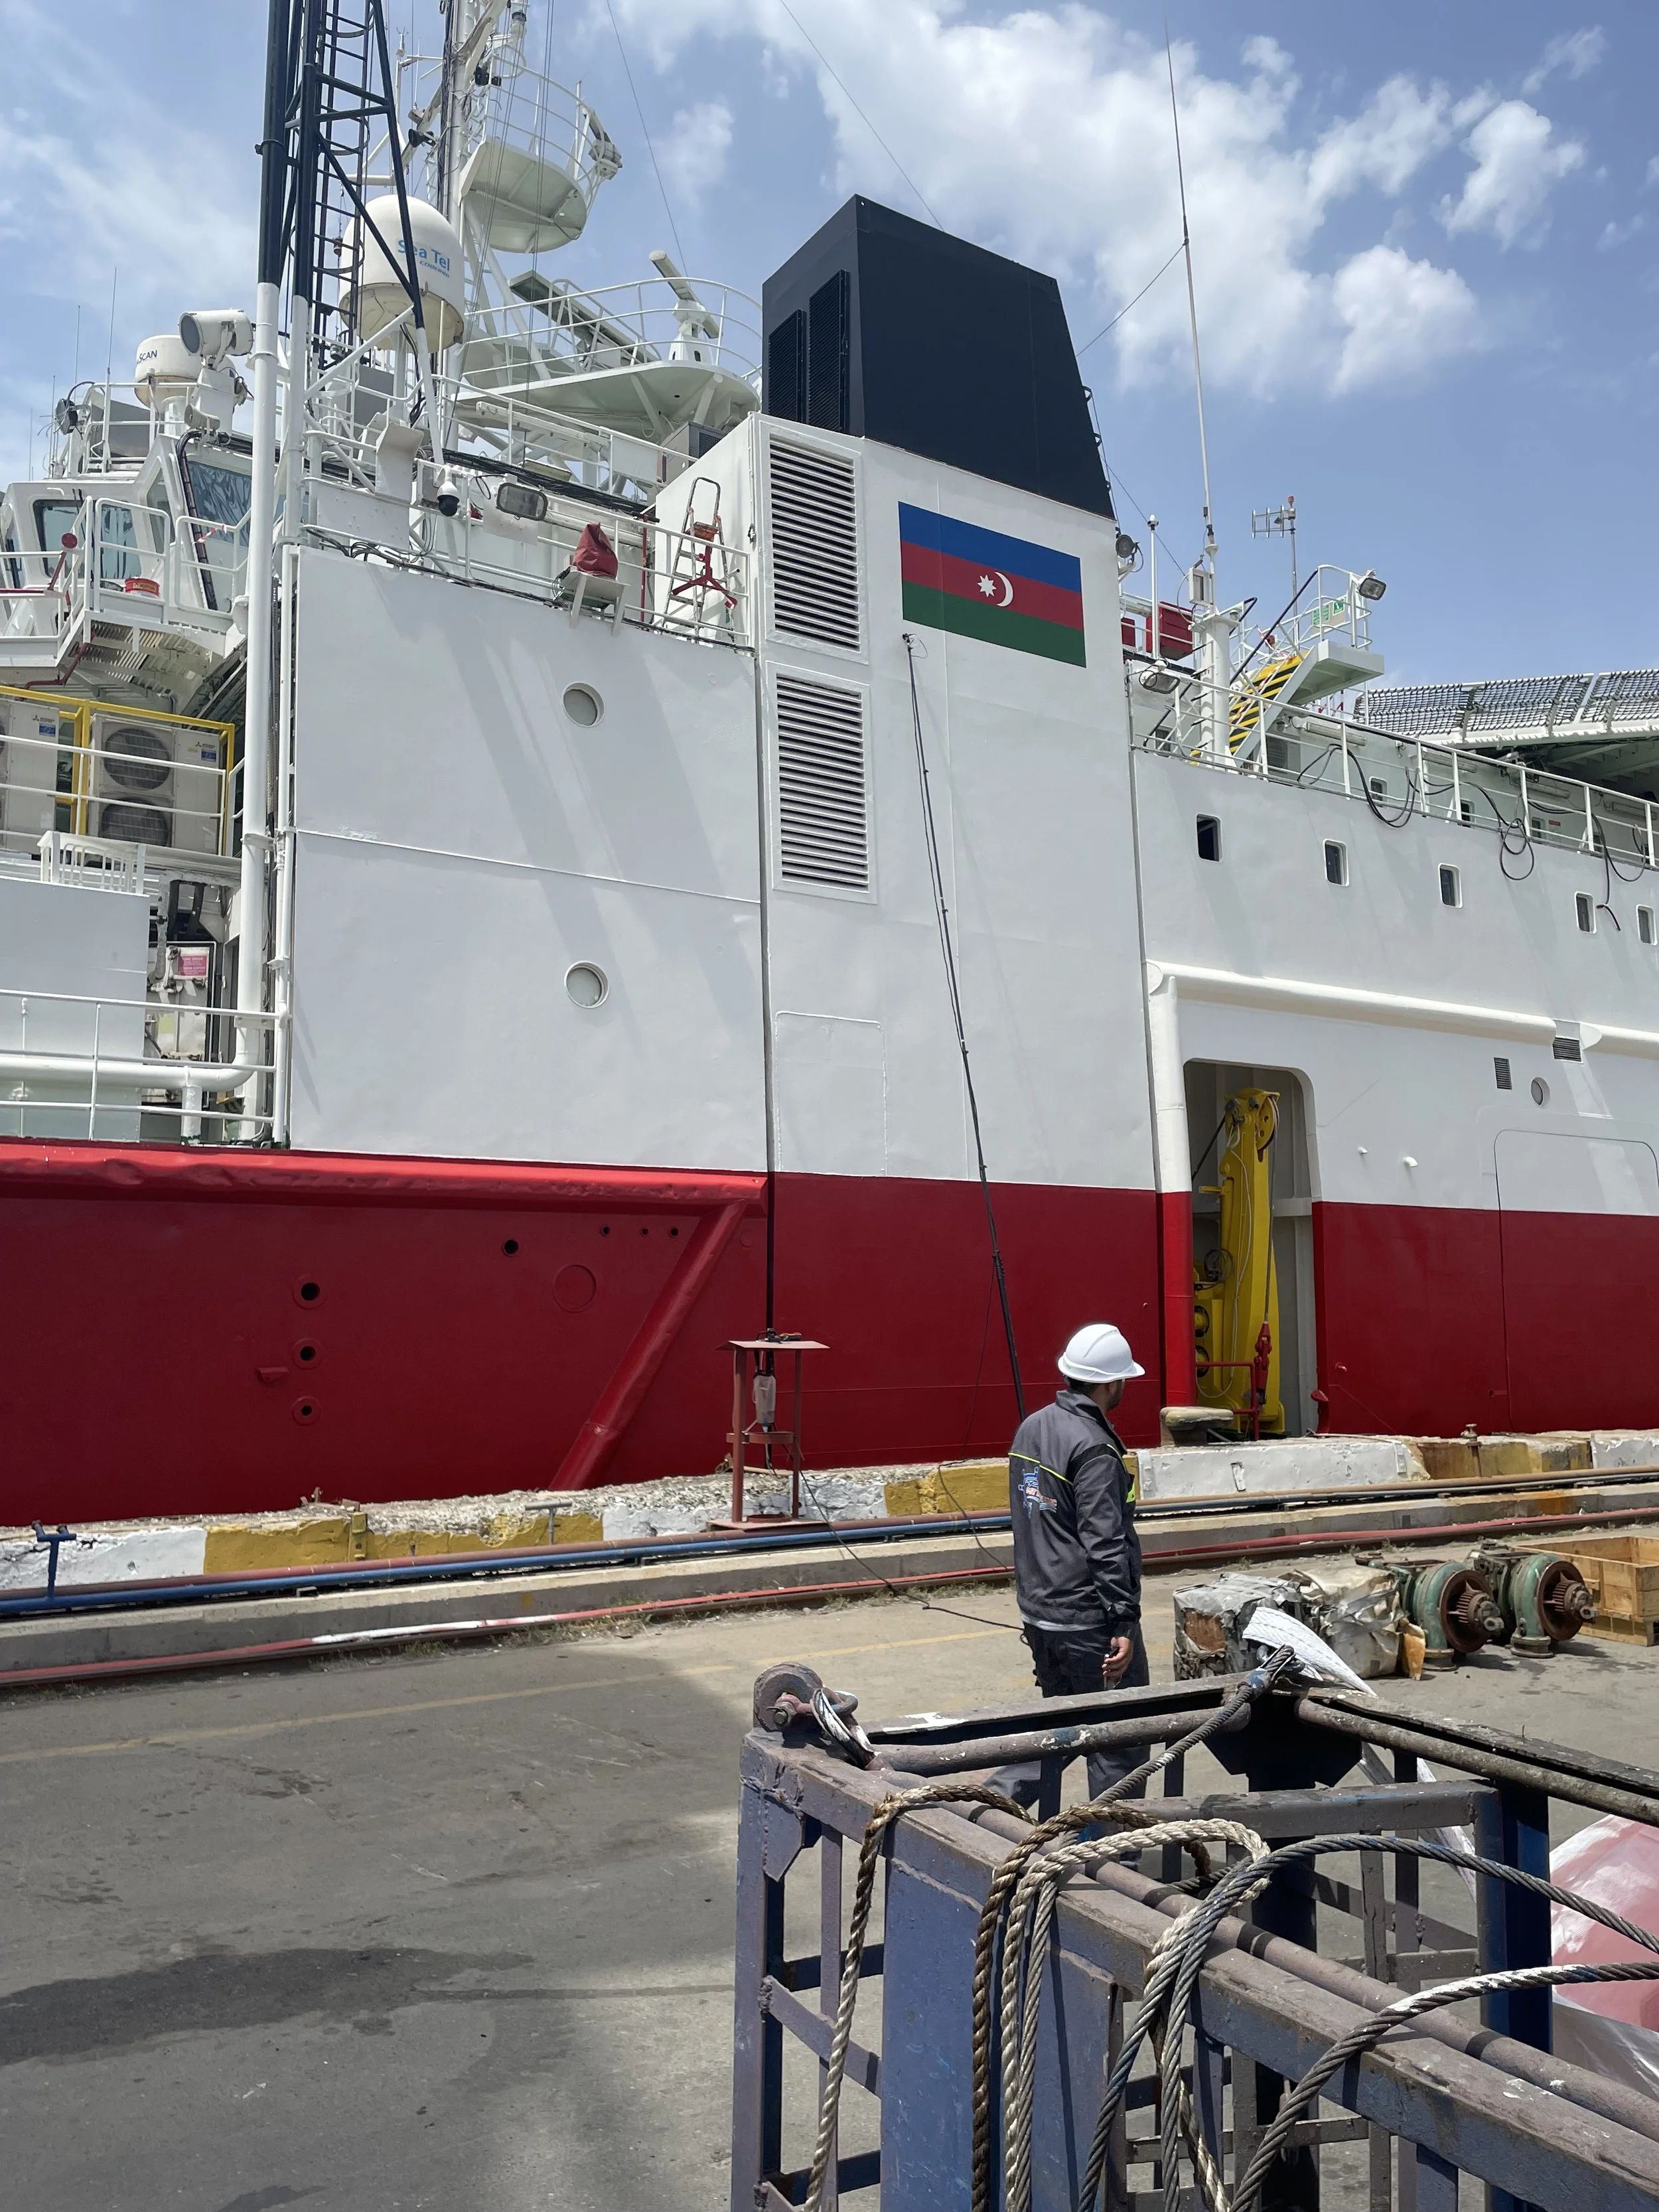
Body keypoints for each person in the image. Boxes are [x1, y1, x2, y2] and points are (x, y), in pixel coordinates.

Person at [992, 1321, 1149, 1808]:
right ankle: (1108, 1848)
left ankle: (987, 1808)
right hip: (1088, 1621)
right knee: (1121, 1741)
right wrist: (1123, 1620)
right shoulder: (1095, 1448)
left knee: (1059, 1728)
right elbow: (1105, 1541)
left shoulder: (1032, 1427)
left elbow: (1031, 1515)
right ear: (1111, 1383)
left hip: (1040, 1613)